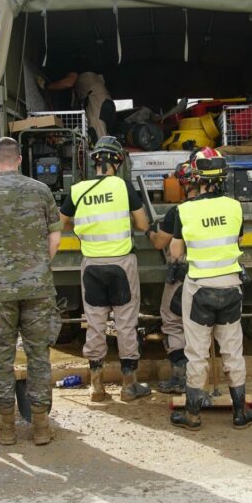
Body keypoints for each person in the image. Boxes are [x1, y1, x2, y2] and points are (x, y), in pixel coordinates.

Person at [0, 138, 62, 446]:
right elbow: (56, 239)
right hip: (37, 287)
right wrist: (38, 267)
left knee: (2, 356)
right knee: (38, 355)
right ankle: (41, 427)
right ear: (19, 159)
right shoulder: (41, 190)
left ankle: (6, 428)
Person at [168, 148, 252, 431]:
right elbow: (239, 241)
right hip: (231, 286)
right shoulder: (235, 206)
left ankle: (192, 415)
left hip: (199, 290)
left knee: (197, 353)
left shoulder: (185, 210)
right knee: (232, 350)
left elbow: (176, 252)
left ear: (196, 176)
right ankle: (240, 412)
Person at [59, 136, 151, 403]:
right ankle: (128, 385)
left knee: (95, 324)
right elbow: (143, 225)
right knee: (125, 324)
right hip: (121, 264)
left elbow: (61, 223)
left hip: (91, 266)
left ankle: (96, 387)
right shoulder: (123, 187)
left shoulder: (77, 190)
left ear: (94, 163)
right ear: (117, 162)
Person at [148, 156, 199, 394]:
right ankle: (200, 376)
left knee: (172, 321)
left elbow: (161, 242)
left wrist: (151, 231)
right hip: (213, 275)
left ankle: (180, 377)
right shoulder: (223, 207)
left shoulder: (178, 212)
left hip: (182, 276)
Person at [42, 70, 116, 139]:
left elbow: (69, 83)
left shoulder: (76, 66)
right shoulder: (93, 76)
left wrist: (47, 86)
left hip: (96, 101)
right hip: (108, 101)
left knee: (98, 138)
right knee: (107, 137)